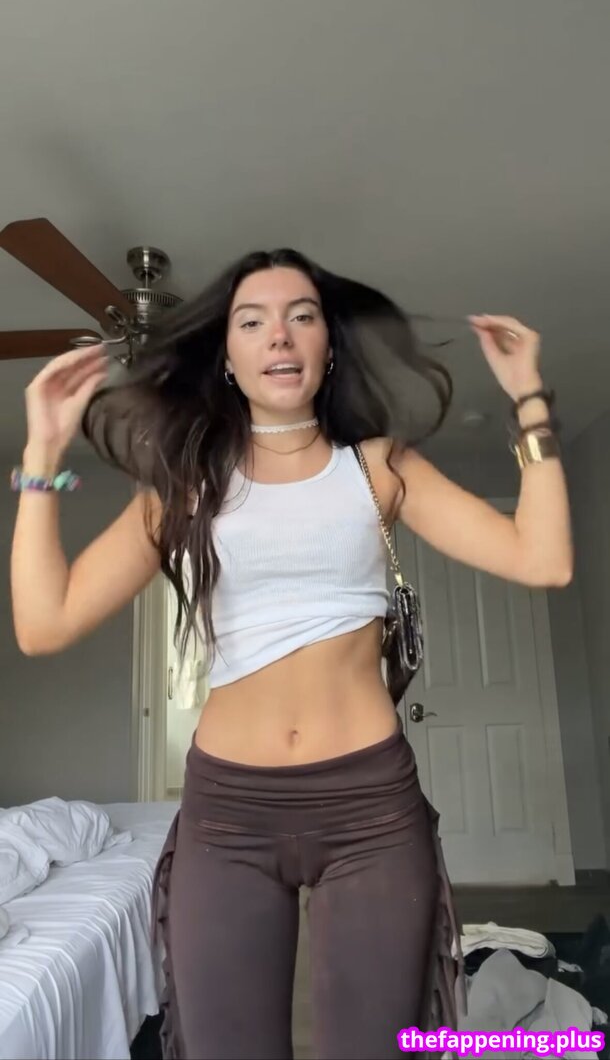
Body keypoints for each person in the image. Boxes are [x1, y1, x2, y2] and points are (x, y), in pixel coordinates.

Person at [10, 248, 573, 1060]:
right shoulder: (187, 484)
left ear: (327, 346)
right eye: (252, 321)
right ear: (228, 357)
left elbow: (542, 559)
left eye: (301, 316)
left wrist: (529, 400)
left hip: (370, 807)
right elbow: (44, 624)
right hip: (227, 813)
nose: (279, 333)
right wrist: (42, 455)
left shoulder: (377, 466)